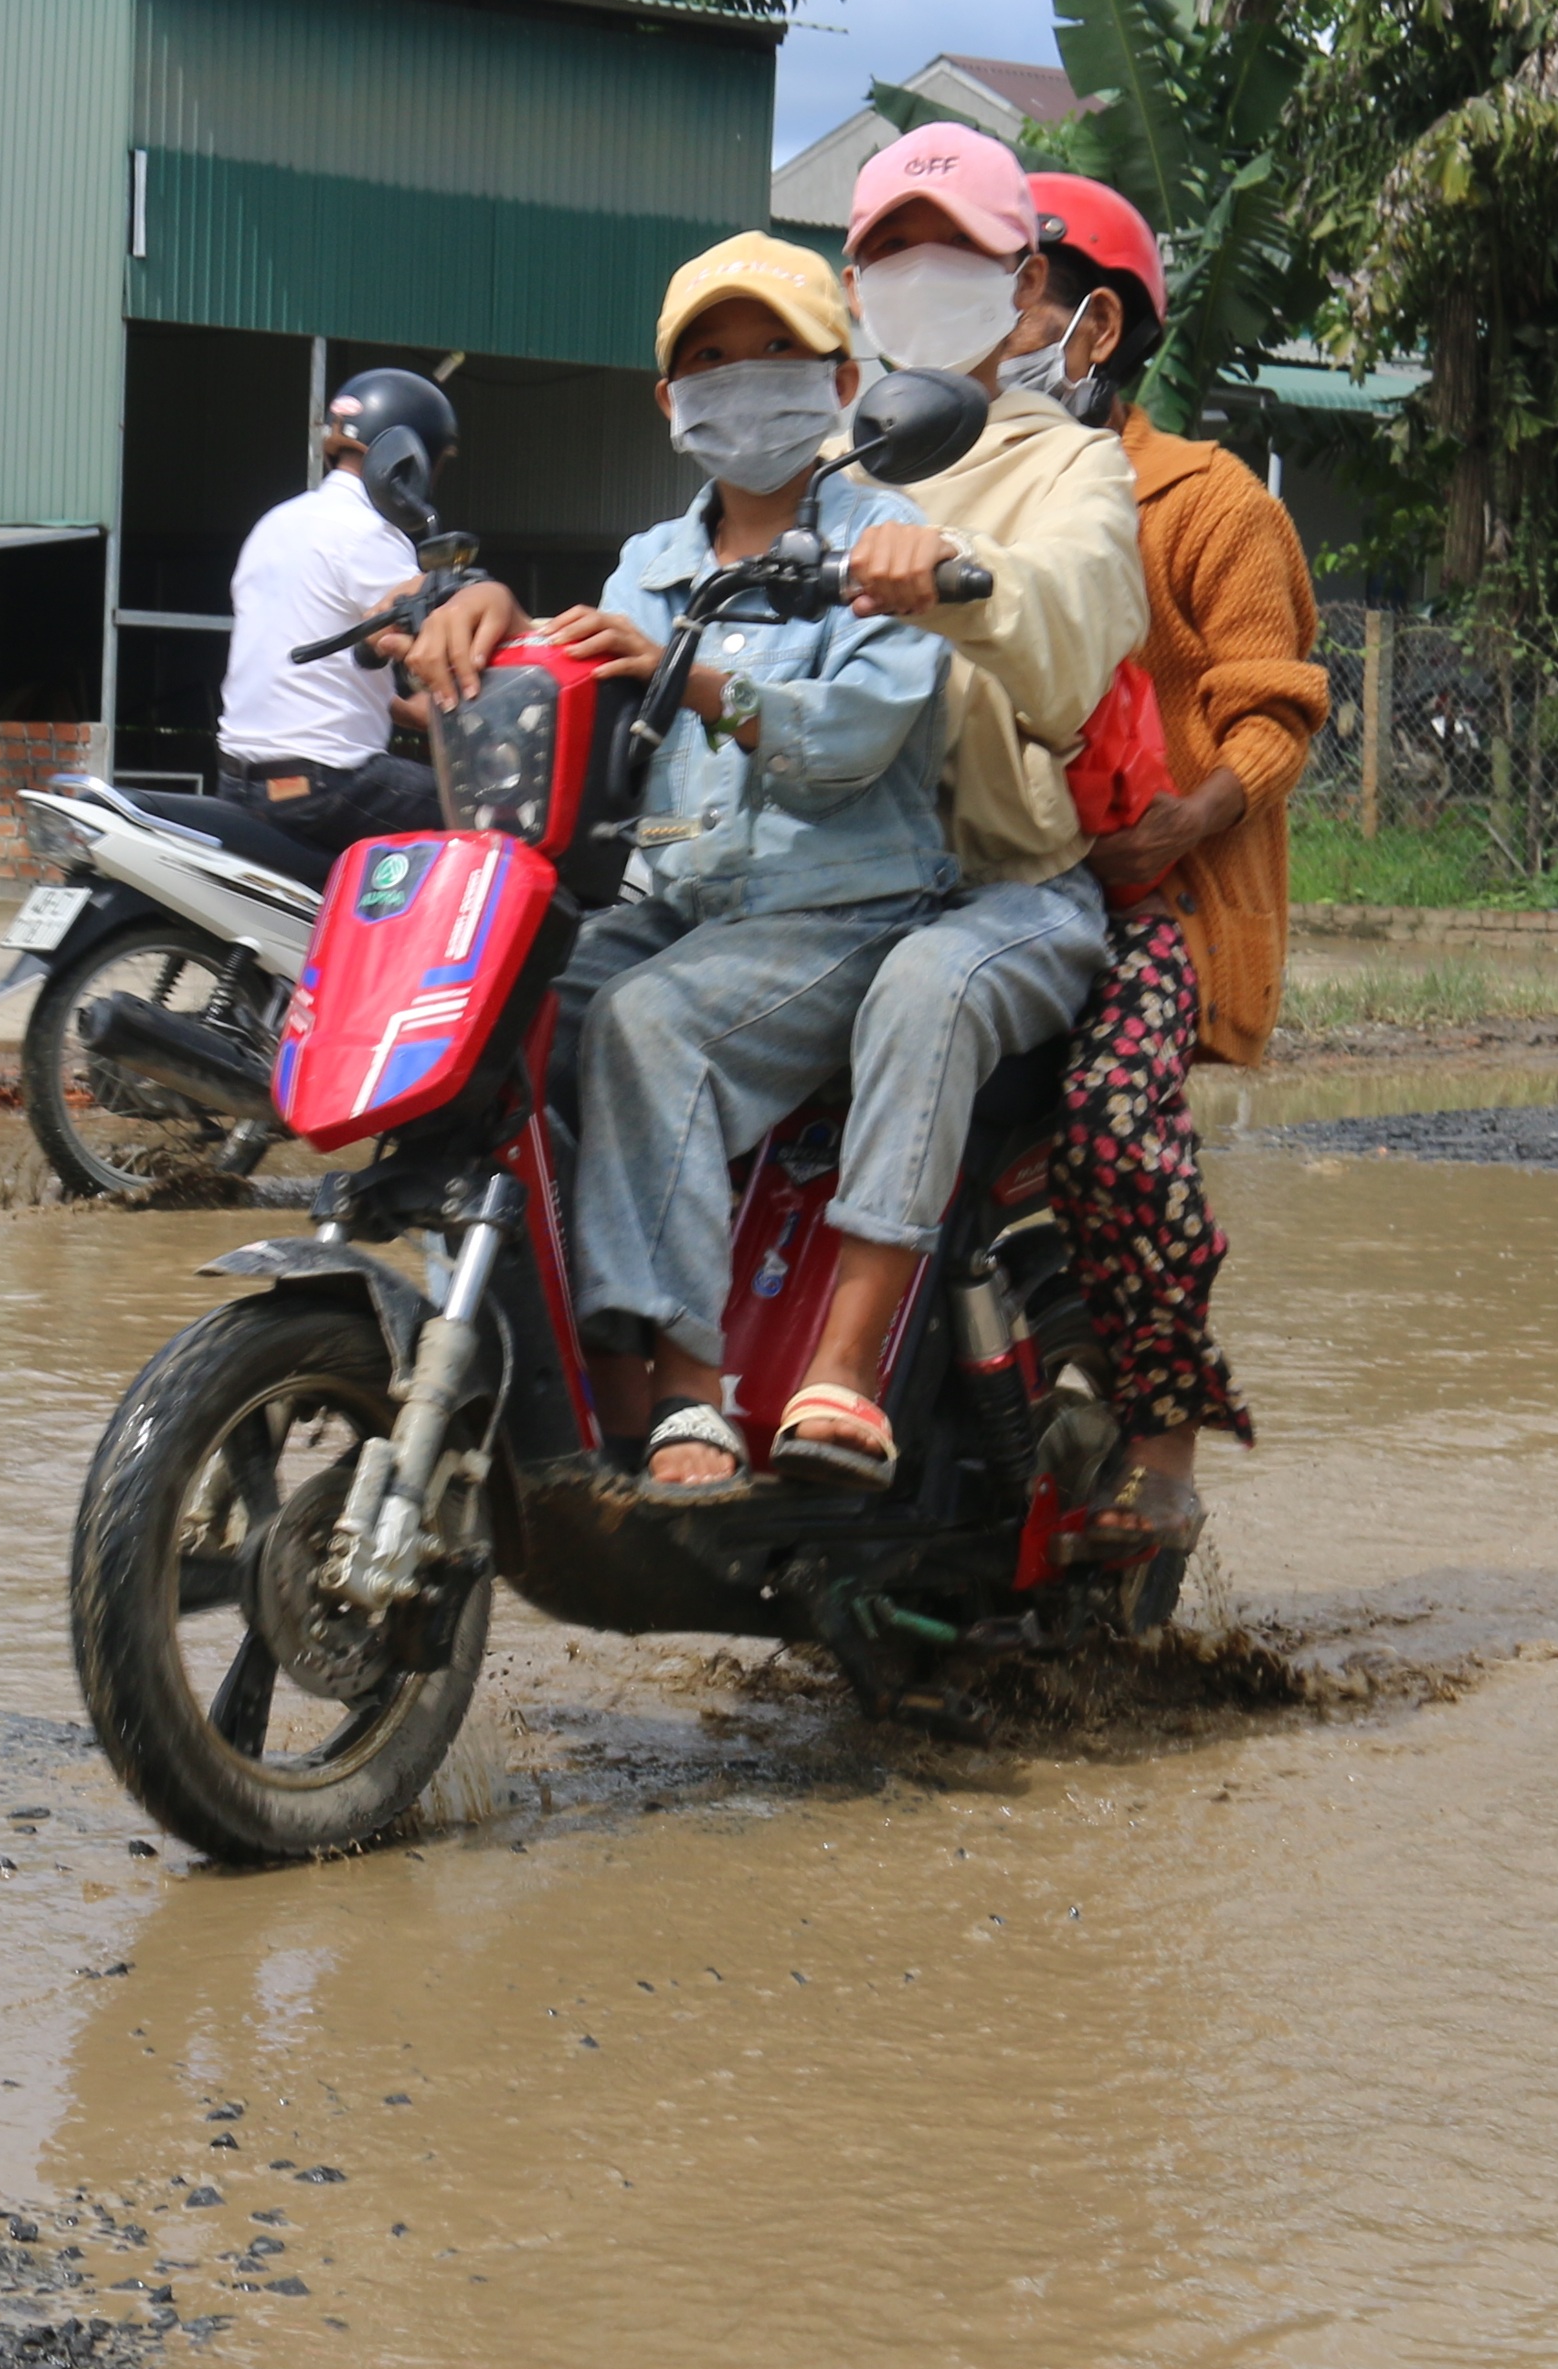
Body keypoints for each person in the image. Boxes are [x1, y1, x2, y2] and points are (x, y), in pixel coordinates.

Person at [403, 233, 957, 1494]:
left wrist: (687, 676)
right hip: (677, 909)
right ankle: (522, 1350)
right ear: (668, 402)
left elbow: (849, 741)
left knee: (651, 1025)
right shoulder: (647, 566)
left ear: (836, 378)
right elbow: (581, 688)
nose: (743, 380)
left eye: (776, 353)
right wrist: (485, 621)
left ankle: (685, 1389)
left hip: (840, 914)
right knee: (493, 1016)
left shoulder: (886, 541)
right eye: (709, 360)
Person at [758, 122, 1147, 1490]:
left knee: (926, 988)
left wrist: (960, 576)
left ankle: (844, 1367)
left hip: (1006, 892)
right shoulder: (826, 466)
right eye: (887, 257)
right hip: (826, 879)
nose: (918, 280)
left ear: (1019, 277)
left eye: (954, 255)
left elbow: (1069, 633)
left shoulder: (1074, 470)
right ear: (854, 287)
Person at [1027, 169, 1328, 1558]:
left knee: (1112, 1133)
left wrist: (1186, 820)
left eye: (1007, 284)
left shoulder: (1206, 506)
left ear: (1093, 328)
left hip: (1162, 896)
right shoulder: (935, 489)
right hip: (996, 890)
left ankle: (1163, 1450)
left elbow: (1277, 708)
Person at [212, 365, 460, 849]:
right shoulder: (368, 532)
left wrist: (405, 710)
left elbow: (304, 675)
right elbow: (430, 649)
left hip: (238, 782)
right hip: (326, 787)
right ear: (412, 459)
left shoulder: (275, 523)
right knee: (493, 815)